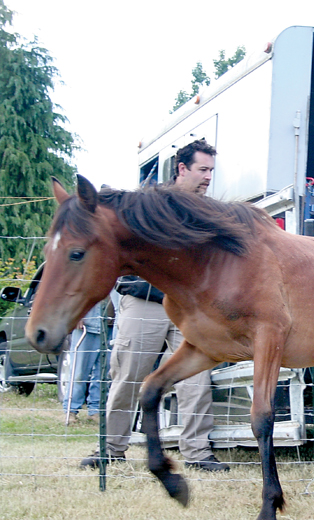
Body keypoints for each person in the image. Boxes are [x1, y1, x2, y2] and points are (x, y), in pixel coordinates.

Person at [80, 139, 228, 472]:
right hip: (143, 301)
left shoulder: (209, 212)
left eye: (211, 172)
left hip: (190, 309)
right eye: (203, 170)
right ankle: (111, 449)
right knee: (128, 376)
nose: (208, 178)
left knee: (197, 380)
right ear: (182, 169)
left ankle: (198, 452)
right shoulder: (147, 202)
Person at [62, 302, 104, 425]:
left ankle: (96, 410)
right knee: (78, 371)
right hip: (87, 325)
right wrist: (76, 314)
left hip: (111, 326)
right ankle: (70, 410)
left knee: (104, 374)